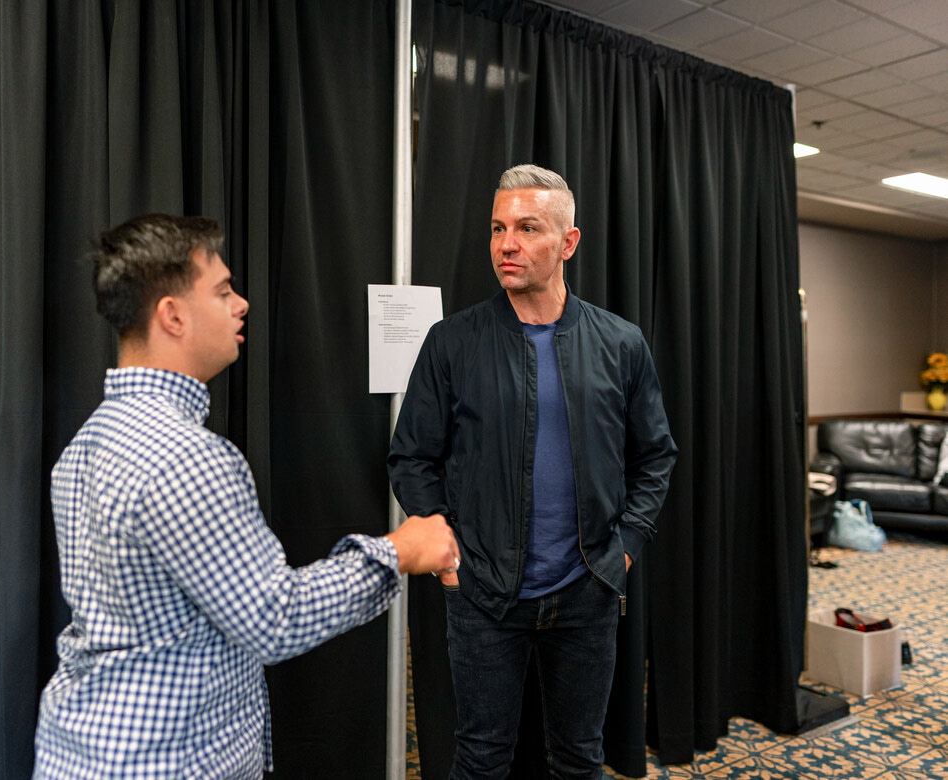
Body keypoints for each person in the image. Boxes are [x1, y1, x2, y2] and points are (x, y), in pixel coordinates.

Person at [34, 214, 460, 779]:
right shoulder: (186, 457)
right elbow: (274, 617)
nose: (241, 305)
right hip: (165, 762)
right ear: (173, 316)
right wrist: (398, 551)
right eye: (222, 291)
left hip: (86, 752)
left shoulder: (89, 442)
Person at [388, 164, 677, 779]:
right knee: (482, 758)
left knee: (580, 759)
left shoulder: (621, 343)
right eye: (498, 229)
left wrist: (624, 548)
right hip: (483, 593)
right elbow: (410, 456)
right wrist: (448, 555)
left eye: (527, 228)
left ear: (568, 243)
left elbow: (655, 454)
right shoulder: (451, 341)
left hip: (587, 590)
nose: (507, 244)